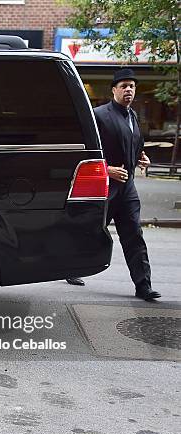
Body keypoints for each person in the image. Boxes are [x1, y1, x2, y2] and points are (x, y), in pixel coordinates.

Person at [66, 68, 160, 301]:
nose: (129, 89)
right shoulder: (99, 115)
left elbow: (133, 144)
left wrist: (140, 157)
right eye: (124, 86)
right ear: (114, 90)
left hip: (127, 189)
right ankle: (70, 268)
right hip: (104, 186)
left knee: (134, 235)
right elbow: (83, 148)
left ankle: (143, 286)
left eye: (132, 86)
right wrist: (106, 169)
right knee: (91, 231)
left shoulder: (133, 116)